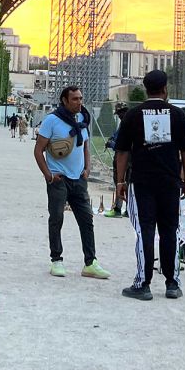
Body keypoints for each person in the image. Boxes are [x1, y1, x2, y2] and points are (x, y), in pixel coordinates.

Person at [114, 70, 185, 301]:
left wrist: (120, 181)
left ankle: (143, 282)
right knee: (170, 232)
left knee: (145, 232)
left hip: (142, 182)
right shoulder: (178, 115)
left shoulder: (133, 115)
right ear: (165, 88)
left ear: (146, 88)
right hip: (170, 182)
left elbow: (122, 151)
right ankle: (172, 283)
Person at [34, 86, 110, 281]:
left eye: (81, 98)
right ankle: (56, 260)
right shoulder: (52, 120)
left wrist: (87, 169)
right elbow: (38, 150)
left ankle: (90, 263)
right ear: (64, 101)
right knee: (57, 218)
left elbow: (85, 145)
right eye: (75, 99)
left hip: (79, 180)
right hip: (58, 180)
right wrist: (48, 175)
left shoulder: (82, 120)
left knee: (87, 221)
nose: (79, 102)